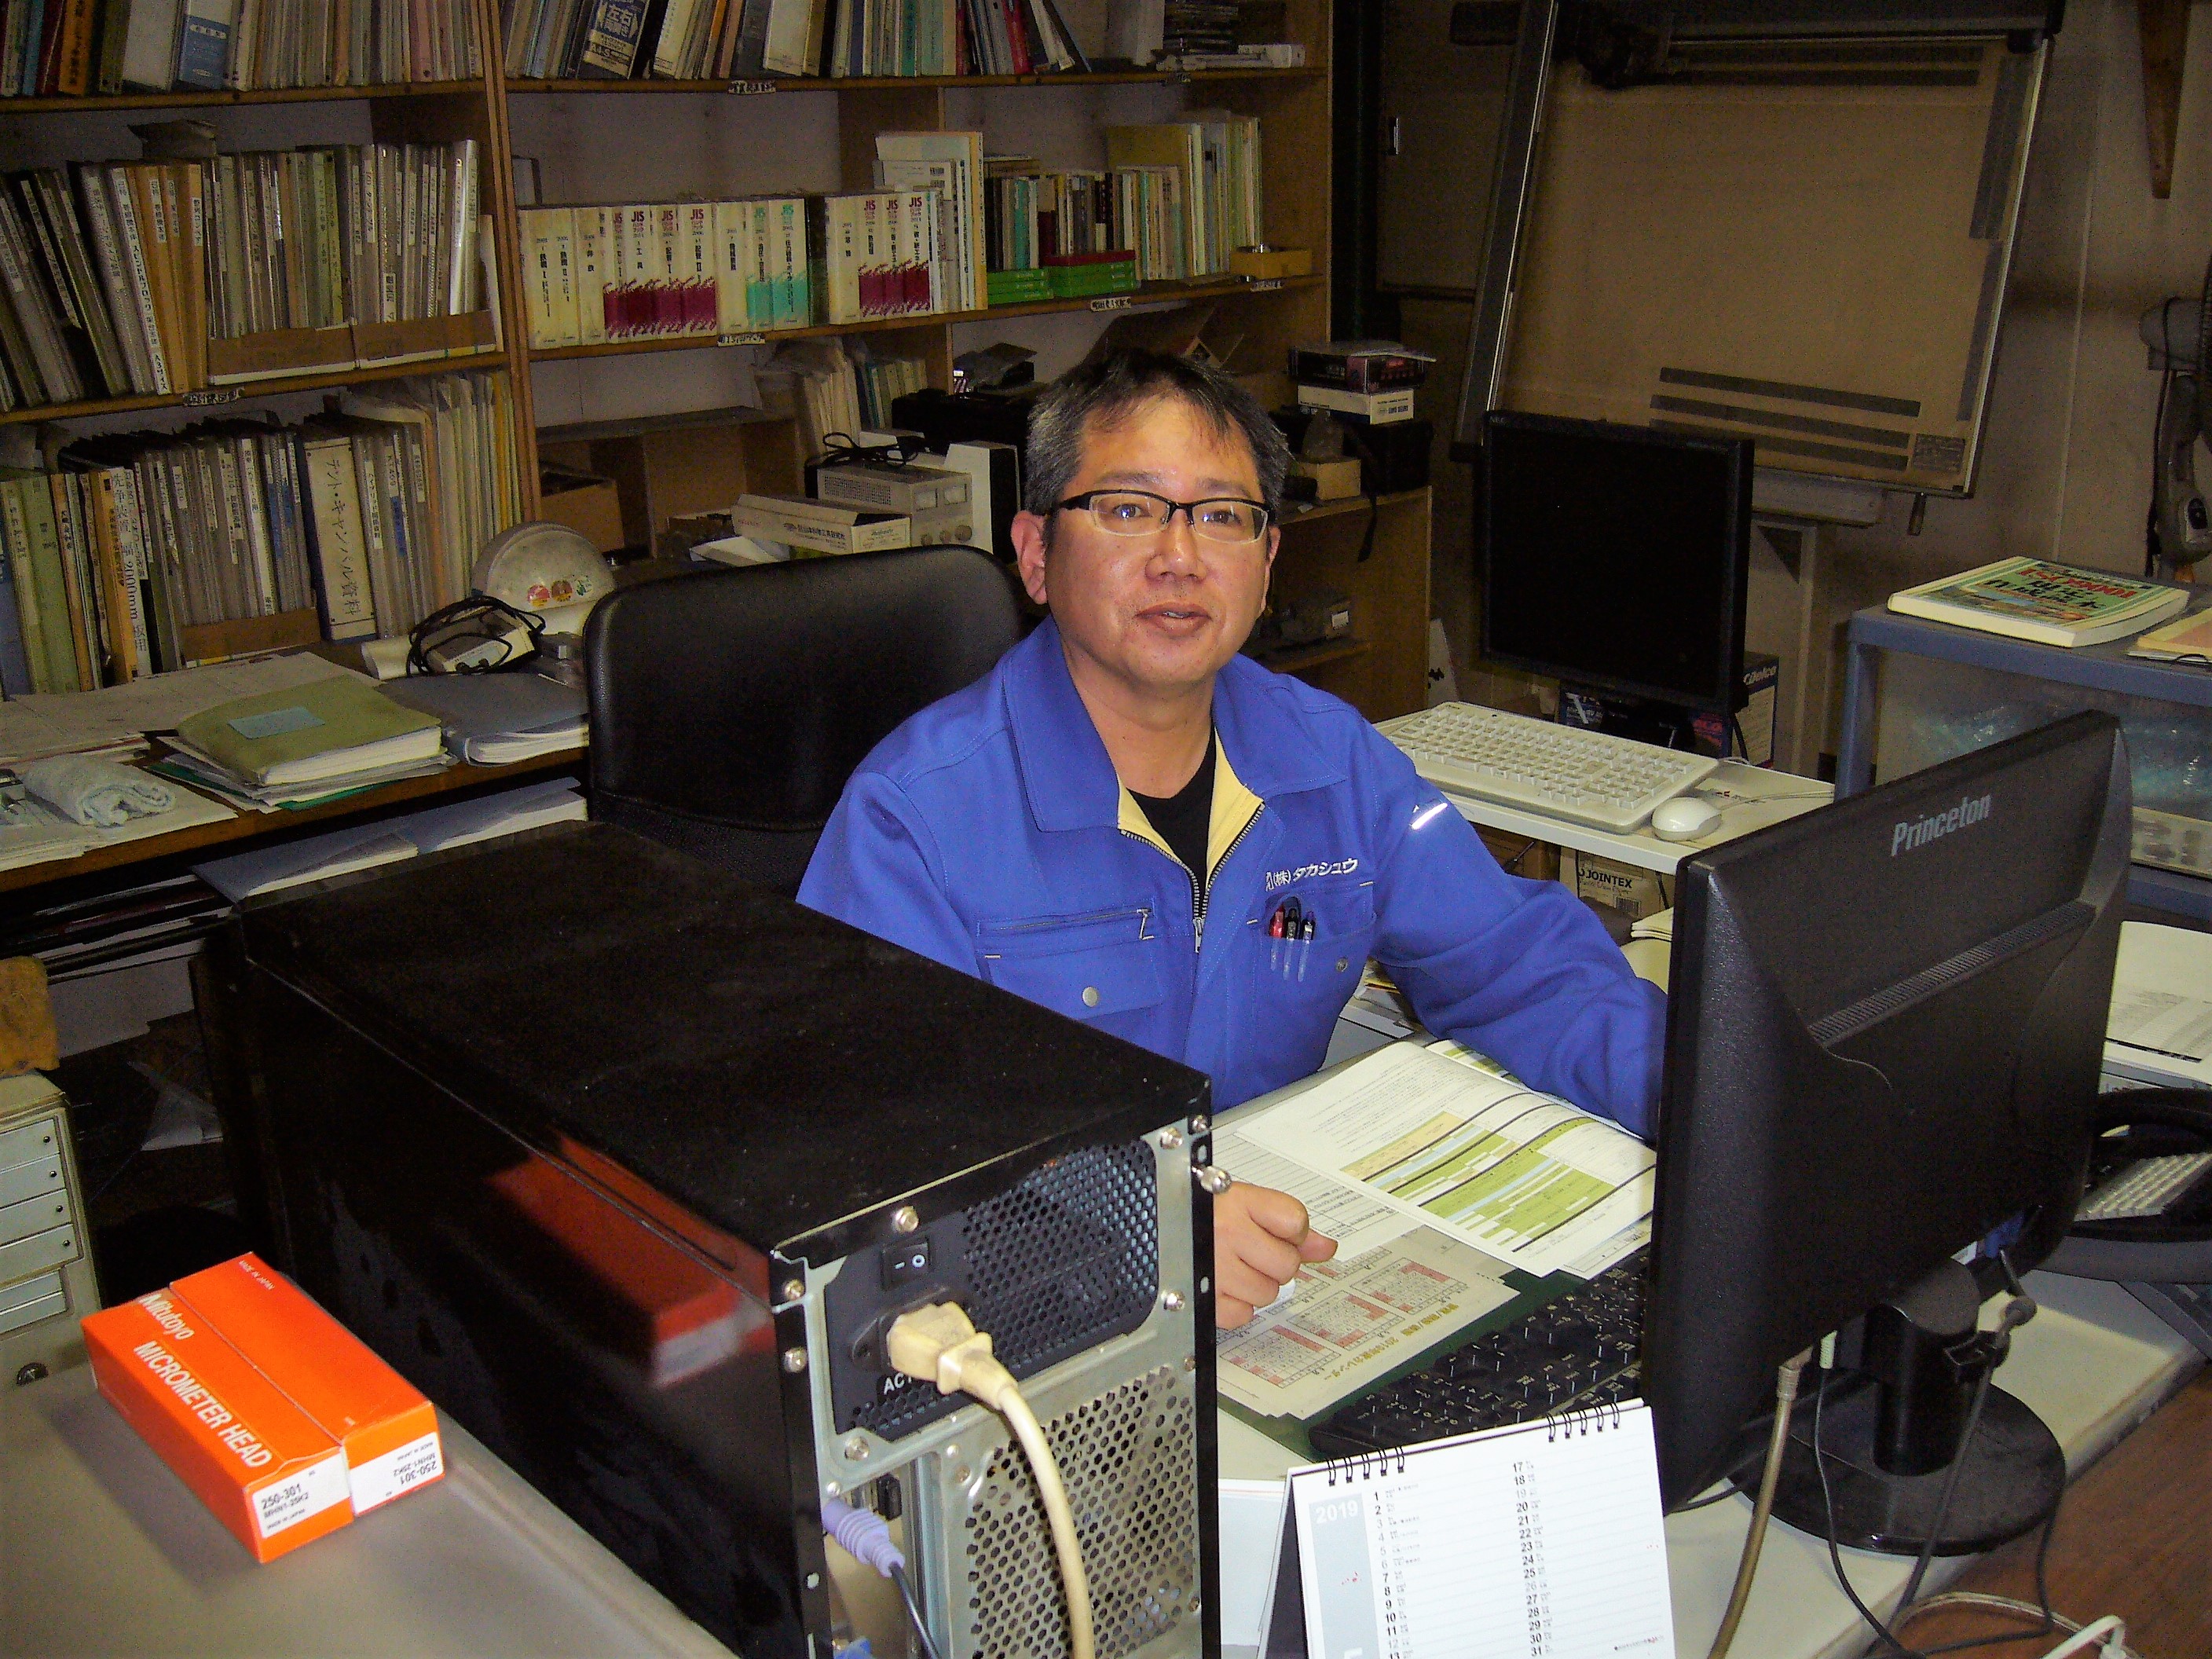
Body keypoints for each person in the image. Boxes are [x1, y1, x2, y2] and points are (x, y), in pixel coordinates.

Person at [799, 349, 1665, 1326]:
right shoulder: (913, 818)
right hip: (1040, 1313)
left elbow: (1519, 967)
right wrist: (1148, 1220)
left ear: (1265, 566)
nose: (1179, 556)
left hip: (1282, 1277)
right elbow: (882, 1141)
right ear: (1036, 554)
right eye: (1128, 508)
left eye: (1221, 516)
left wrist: (1711, 1096)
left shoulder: (1331, 760)